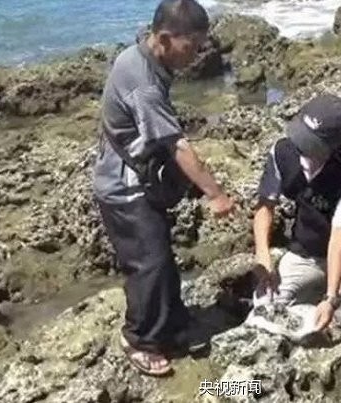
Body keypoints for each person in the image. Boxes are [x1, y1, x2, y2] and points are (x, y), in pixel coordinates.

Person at [93, 0, 234, 377]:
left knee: (162, 256)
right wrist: (215, 194)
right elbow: (177, 145)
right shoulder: (143, 84)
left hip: (137, 177)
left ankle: (170, 323)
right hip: (122, 188)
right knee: (149, 263)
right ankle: (139, 339)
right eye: (191, 47)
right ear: (166, 38)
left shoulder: (142, 53)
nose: (196, 55)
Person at [252, 94, 341, 333]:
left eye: (311, 141)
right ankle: (318, 291)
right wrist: (263, 256)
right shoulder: (282, 152)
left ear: (333, 145)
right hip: (307, 253)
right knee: (265, 303)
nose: (301, 145)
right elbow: (265, 207)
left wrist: (331, 298)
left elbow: (339, 238)